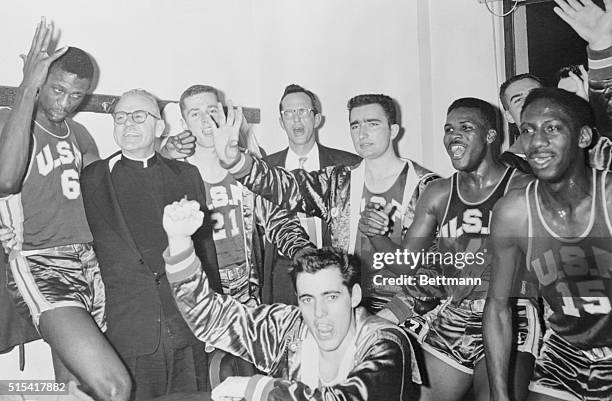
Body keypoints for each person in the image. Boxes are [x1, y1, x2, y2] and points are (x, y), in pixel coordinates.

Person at [360, 98, 539, 401]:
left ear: (491, 135)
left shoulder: (524, 188)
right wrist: (377, 235)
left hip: (511, 313)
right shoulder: (439, 193)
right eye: (448, 129)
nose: (453, 136)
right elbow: (405, 264)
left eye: (465, 128)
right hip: (455, 315)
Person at [161, 198, 421, 401]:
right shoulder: (288, 327)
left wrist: (259, 388)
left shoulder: (386, 342)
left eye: (331, 297)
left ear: (354, 296)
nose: (319, 313)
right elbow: (211, 318)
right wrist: (179, 241)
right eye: (307, 299)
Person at [210, 94, 438, 314]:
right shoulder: (340, 180)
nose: (363, 133)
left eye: (373, 124)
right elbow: (289, 186)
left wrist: (388, 317)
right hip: (345, 309)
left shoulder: (428, 188)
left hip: (405, 319)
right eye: (355, 125)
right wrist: (237, 161)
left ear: (394, 130)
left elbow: (437, 269)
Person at [0, 19, 130, 401]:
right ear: (42, 81)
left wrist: (157, 156)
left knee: (75, 388)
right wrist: (27, 87)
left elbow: (108, 190)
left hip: (89, 263)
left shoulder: (81, 134)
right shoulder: (10, 121)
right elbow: (5, 181)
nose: (64, 102)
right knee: (114, 386)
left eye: (76, 95)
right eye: (56, 89)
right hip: (40, 262)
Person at [80, 89, 218, 400]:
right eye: (121, 117)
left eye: (139, 116)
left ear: (159, 128)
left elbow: (205, 251)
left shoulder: (187, 175)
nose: (128, 123)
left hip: (186, 323)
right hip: (129, 329)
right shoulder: (91, 180)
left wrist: (213, 317)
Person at [484, 87, 612, 401]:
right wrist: (501, 397)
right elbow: (498, 308)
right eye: (527, 130)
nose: (536, 142)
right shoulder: (513, 213)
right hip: (564, 355)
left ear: (583, 137)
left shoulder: (608, 199)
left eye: (552, 129)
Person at [262, 84, 361, 304]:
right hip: (283, 272)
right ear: (281, 122)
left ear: (317, 119)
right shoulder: (266, 169)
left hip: (335, 273)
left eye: (303, 112)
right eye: (289, 113)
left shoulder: (349, 166)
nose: (296, 119)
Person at [498, 73, 546, 173]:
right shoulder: (507, 169)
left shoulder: (574, 145)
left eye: (534, 94)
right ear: (509, 116)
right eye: (518, 100)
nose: (528, 101)